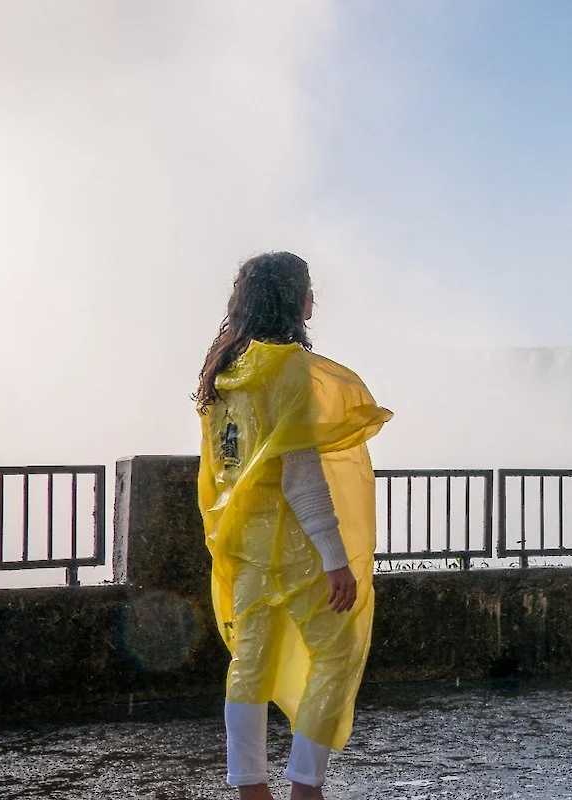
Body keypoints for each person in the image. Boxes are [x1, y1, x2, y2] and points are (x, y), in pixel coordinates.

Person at [194, 252, 393, 799]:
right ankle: (306, 784)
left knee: (249, 662)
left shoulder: (223, 374)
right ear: (290, 300)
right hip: (298, 547)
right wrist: (336, 560)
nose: (314, 300)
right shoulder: (288, 372)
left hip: (246, 542)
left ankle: (250, 787)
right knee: (339, 651)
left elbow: (222, 471)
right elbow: (301, 479)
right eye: (307, 289)